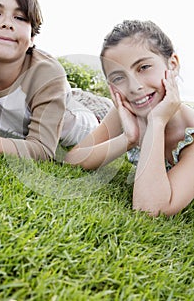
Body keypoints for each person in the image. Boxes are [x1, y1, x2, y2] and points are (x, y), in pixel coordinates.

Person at [0, 0, 112, 161]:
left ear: (32, 37)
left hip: (89, 118)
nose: (7, 23)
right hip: (45, 104)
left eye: (20, 17)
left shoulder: (45, 72)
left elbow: (42, 150)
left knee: (103, 112)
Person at [65, 20, 194, 217]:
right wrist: (128, 139)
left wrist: (157, 122)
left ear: (172, 64)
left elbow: (150, 209)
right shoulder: (130, 109)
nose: (134, 87)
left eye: (143, 67)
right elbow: (73, 158)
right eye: (118, 78)